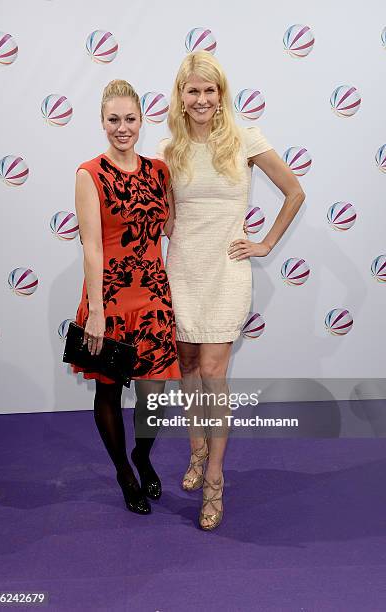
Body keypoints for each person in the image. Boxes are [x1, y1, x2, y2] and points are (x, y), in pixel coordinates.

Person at [157, 51, 305, 530]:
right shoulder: (168, 149)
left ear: (221, 94)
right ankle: (196, 450)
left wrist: (264, 243)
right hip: (181, 269)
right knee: (189, 369)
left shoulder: (245, 138)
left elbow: (295, 191)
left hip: (225, 270)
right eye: (192, 90)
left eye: (209, 89)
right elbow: (167, 217)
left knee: (215, 373)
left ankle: (215, 478)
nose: (200, 99)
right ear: (181, 96)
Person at [72, 79, 181, 515]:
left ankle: (143, 455)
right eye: (114, 119)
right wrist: (95, 313)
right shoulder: (89, 173)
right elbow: (92, 246)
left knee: (153, 396)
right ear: (102, 122)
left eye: (130, 119)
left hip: (153, 297)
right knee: (109, 394)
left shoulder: (160, 171)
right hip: (110, 301)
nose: (122, 127)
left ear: (142, 120)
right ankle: (123, 472)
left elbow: (172, 227)